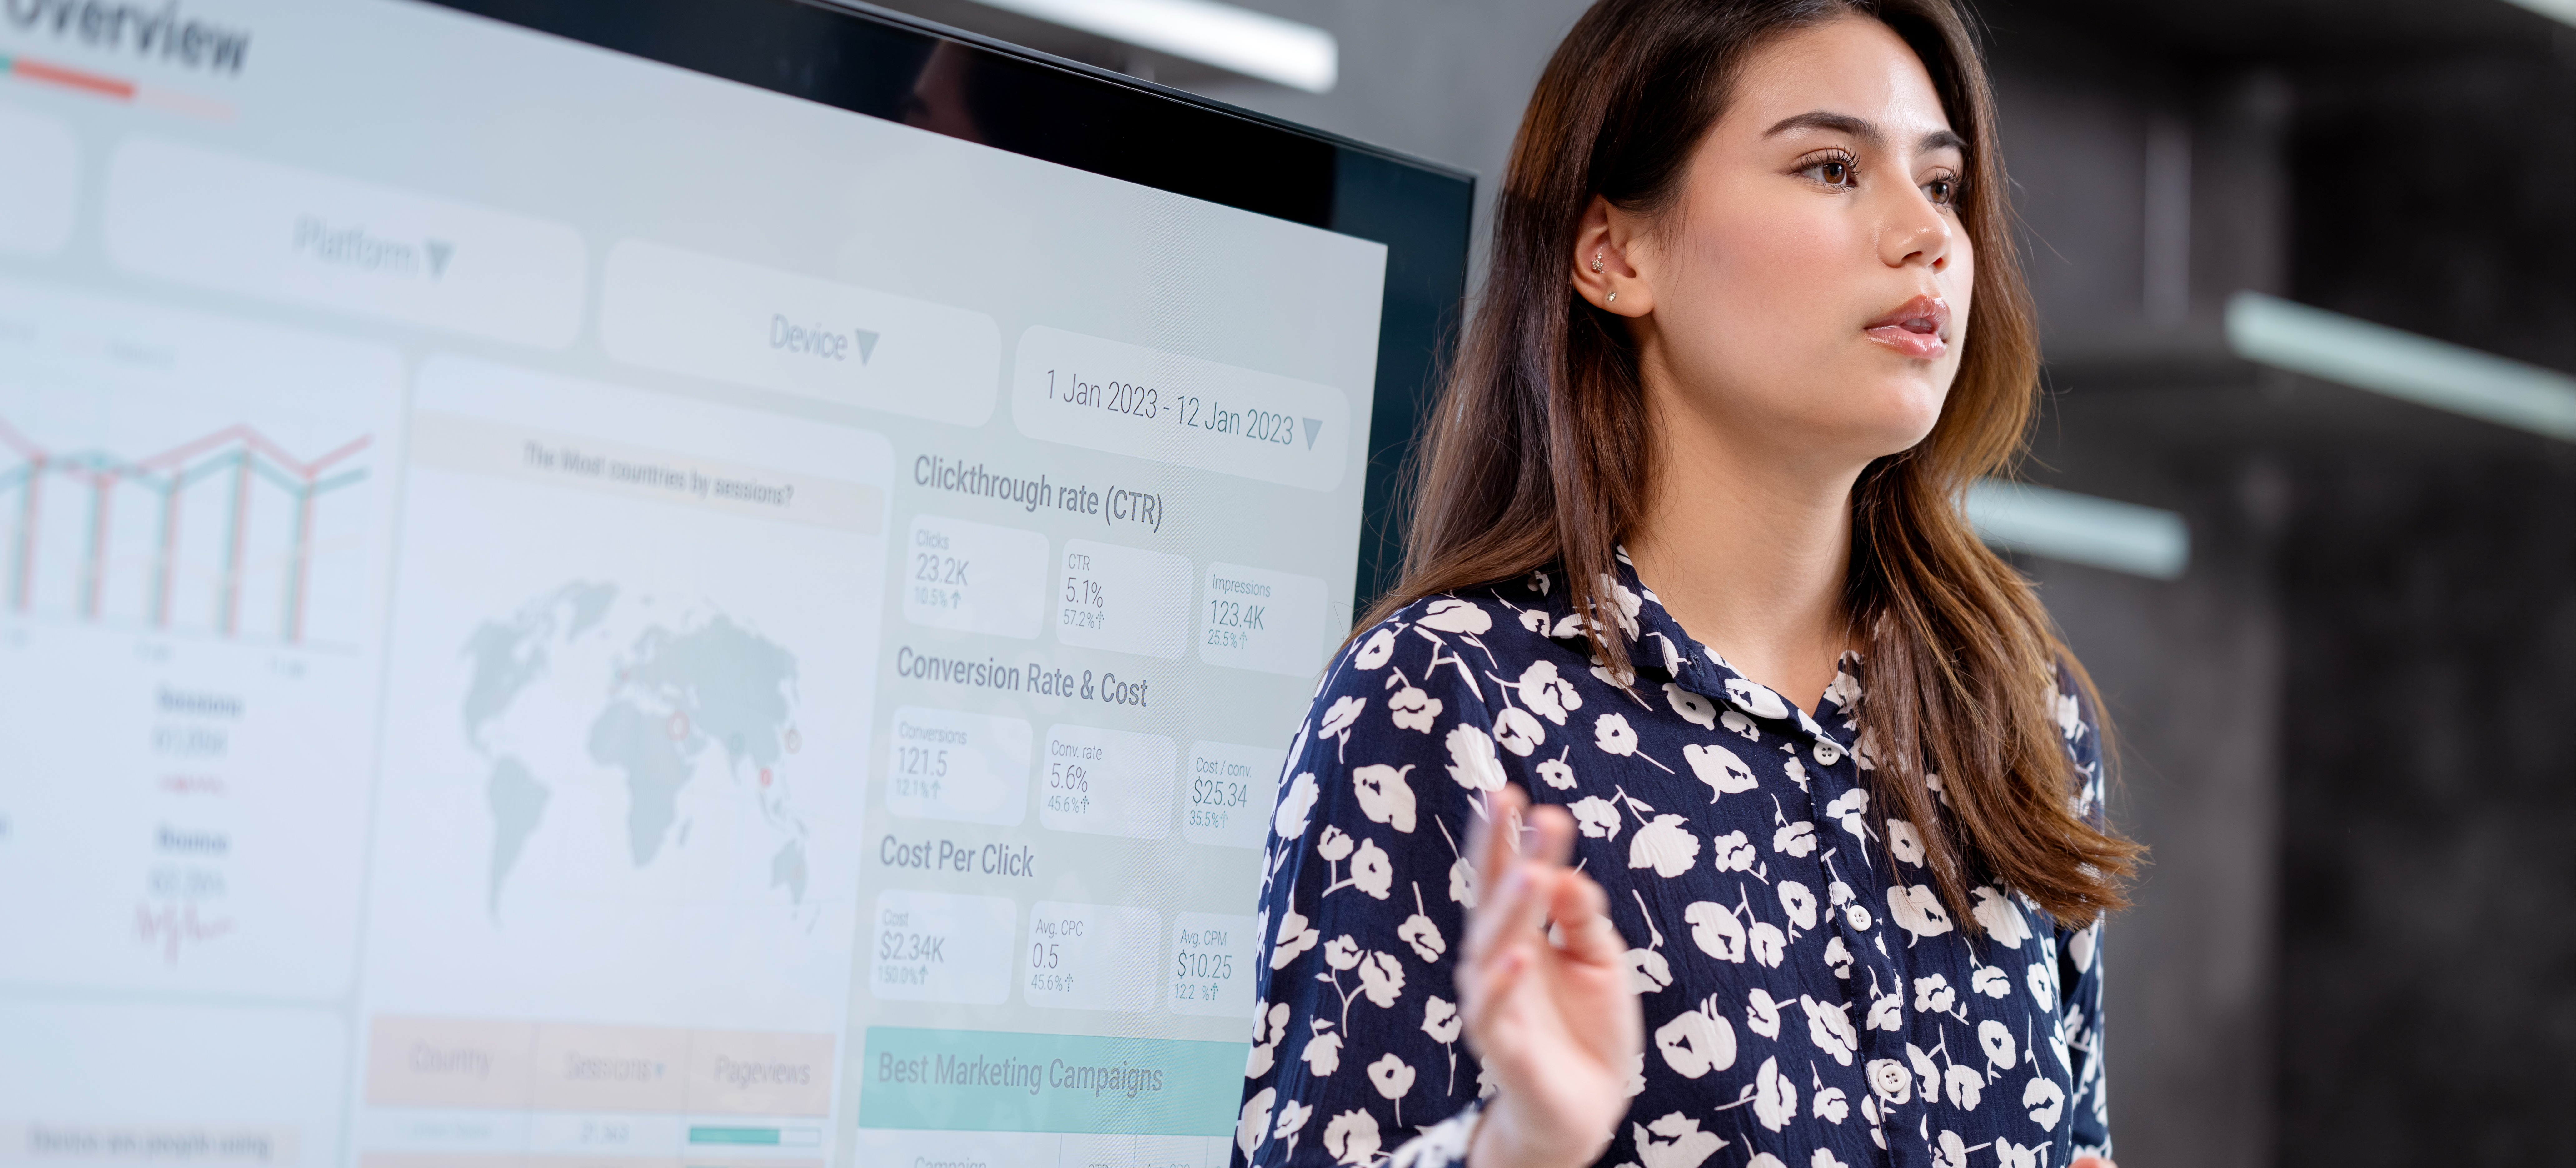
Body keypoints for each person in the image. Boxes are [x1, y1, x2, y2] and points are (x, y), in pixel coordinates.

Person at [1237, 1, 2143, 1165]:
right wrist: (1524, 1143)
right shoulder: (1436, 702)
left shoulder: (2021, 710)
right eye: (1831, 167)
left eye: (1946, 184)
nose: (1928, 236)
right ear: (1615, 253)